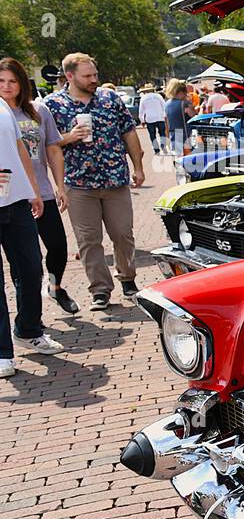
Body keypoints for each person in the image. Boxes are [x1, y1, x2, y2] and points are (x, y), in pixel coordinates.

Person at [43, 52, 145, 310]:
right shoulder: (52, 105)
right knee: (89, 240)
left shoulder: (110, 99)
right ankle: (100, 290)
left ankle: (128, 279)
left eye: (95, 74)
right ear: (69, 76)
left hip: (115, 180)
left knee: (123, 234)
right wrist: (70, 136)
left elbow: (128, 132)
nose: (93, 80)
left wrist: (139, 166)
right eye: (87, 76)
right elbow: (49, 144)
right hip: (78, 184)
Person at [0, 59, 78, 314]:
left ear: (22, 83)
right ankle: (29, 313)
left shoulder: (38, 110)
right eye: (1, 81)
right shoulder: (1, 114)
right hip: (11, 197)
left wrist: (60, 187)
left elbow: (53, 149)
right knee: (22, 259)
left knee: (57, 247)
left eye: (12, 81)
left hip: (42, 192)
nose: (7, 86)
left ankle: (54, 288)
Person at [0, 79, 64, 378]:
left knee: (31, 269)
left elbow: (18, 149)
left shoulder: (3, 108)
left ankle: (28, 329)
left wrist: (33, 190)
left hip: (15, 202)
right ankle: (2, 353)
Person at [163, 78, 191, 155]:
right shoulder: (185, 103)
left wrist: (167, 137)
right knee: (188, 160)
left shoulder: (167, 104)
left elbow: (166, 123)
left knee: (178, 160)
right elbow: (193, 115)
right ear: (181, 92)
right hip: (186, 134)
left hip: (174, 134)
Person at [137, 84, 167, 153]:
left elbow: (141, 110)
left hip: (150, 119)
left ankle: (156, 149)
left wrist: (142, 120)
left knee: (152, 135)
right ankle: (163, 146)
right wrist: (164, 115)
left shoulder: (143, 98)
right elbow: (164, 106)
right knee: (162, 132)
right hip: (160, 117)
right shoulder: (158, 96)